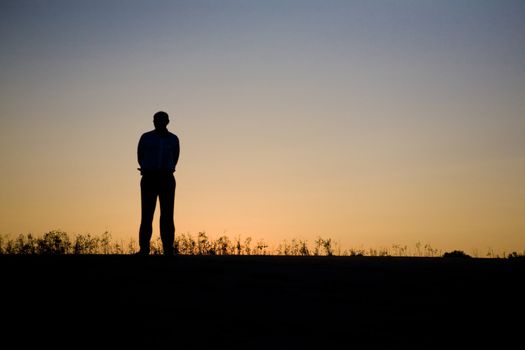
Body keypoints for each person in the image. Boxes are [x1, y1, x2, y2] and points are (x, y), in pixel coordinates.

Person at [136, 111, 180, 256]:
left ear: (167, 121)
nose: (157, 122)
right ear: (153, 121)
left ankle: (168, 249)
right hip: (149, 177)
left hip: (166, 178)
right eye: (155, 119)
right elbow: (140, 156)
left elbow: (175, 157)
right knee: (147, 215)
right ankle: (144, 249)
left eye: (161, 120)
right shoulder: (146, 137)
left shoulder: (173, 139)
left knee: (167, 215)